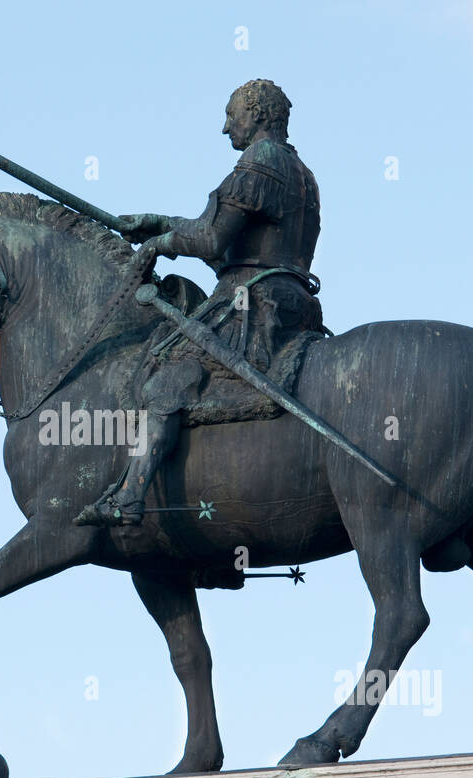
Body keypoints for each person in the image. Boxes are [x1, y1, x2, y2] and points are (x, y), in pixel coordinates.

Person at [75, 78, 324, 527]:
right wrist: (157, 223)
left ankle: (131, 496)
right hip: (291, 300)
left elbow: (211, 238)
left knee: (165, 381)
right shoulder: (301, 172)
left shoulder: (260, 160)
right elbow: (220, 238)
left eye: (232, 115)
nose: (226, 128)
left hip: (251, 304)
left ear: (258, 114)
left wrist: (159, 244)